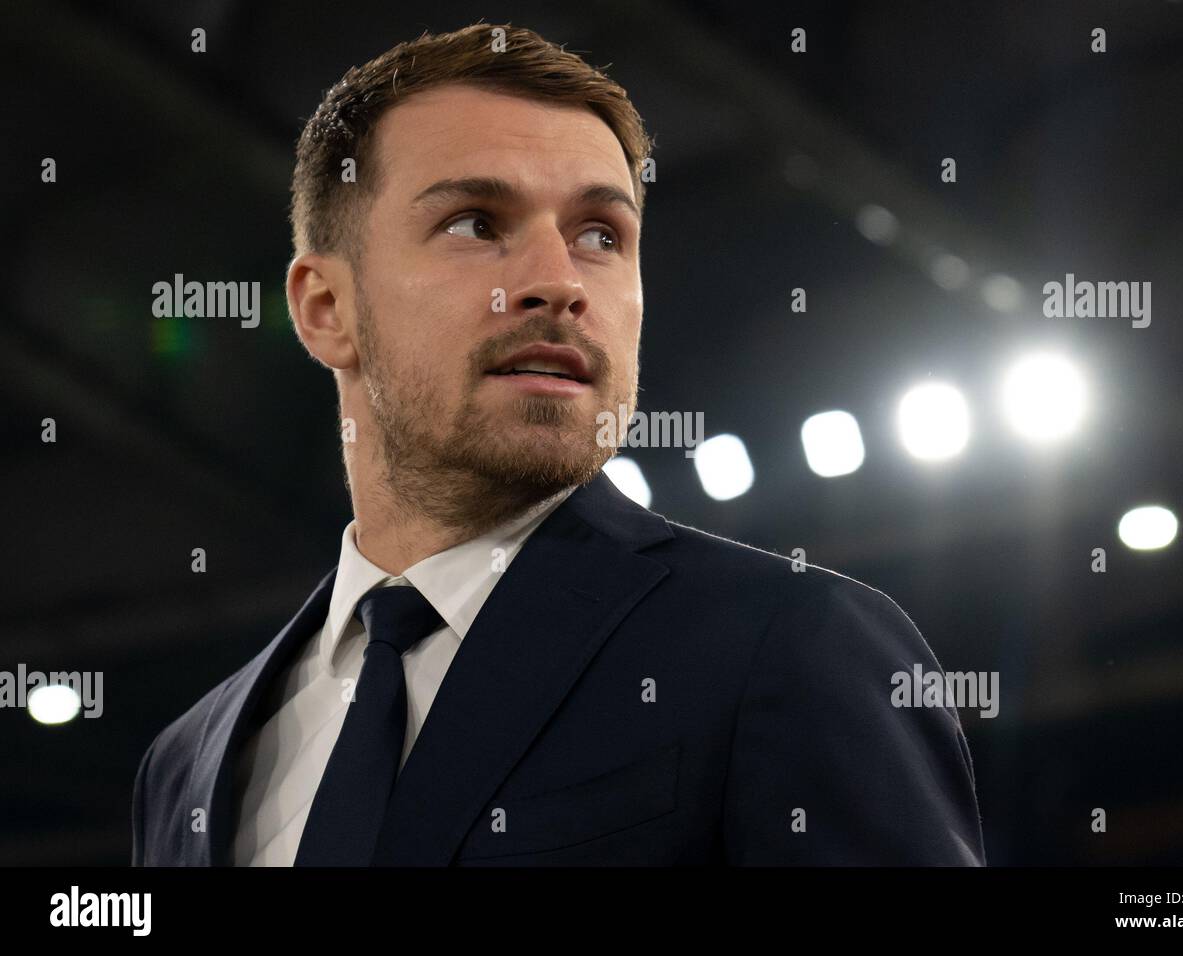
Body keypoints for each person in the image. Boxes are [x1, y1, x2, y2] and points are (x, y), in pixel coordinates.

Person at [131, 22, 986, 866]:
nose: (558, 282)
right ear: (326, 309)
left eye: (600, 236)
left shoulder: (791, 643)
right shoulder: (186, 767)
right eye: (474, 223)